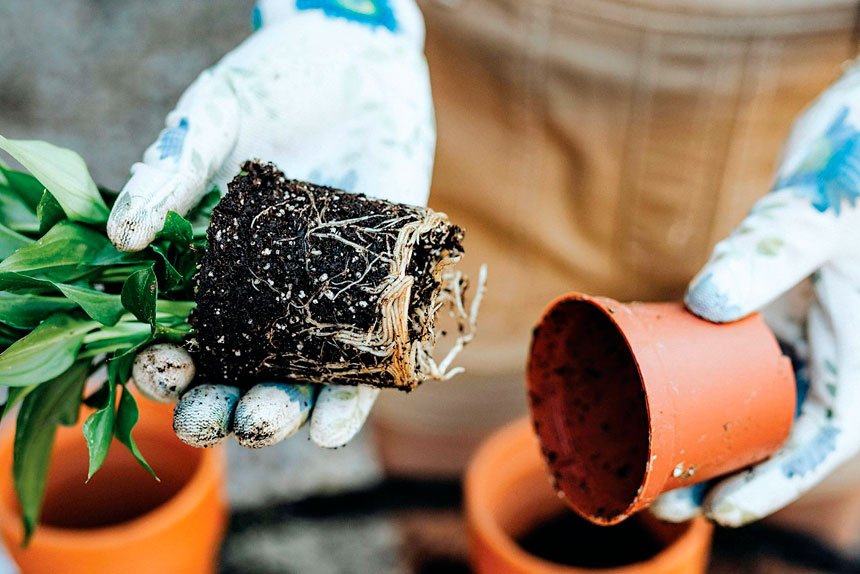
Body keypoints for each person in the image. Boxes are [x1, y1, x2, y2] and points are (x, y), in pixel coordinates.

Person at [103, 0, 860, 528]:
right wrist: (337, 12)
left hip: (792, 142)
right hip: (473, 92)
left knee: (793, 450)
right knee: (453, 472)